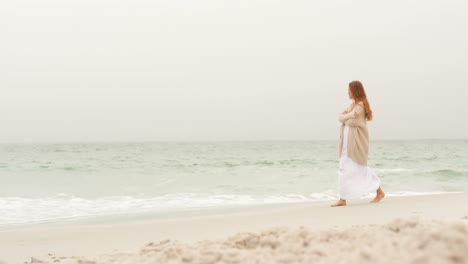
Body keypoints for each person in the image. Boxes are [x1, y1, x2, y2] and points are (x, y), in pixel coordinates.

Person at [331, 80, 385, 207]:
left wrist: (346, 118)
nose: (347, 92)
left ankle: (378, 192)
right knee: (346, 168)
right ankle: (343, 198)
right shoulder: (352, 106)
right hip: (346, 143)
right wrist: (348, 116)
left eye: (349, 90)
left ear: (355, 91)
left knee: (357, 168)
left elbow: (352, 123)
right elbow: (340, 117)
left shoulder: (360, 106)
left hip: (355, 143)